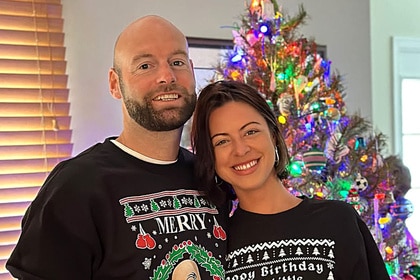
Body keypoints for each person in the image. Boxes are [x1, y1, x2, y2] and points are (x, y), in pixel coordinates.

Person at [6, 15, 227, 280]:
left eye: (177, 62)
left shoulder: (213, 177)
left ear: (191, 72)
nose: (166, 76)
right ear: (115, 84)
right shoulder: (75, 187)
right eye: (145, 65)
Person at [190, 80, 390, 279]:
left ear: (274, 136)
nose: (240, 150)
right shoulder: (215, 244)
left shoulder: (338, 220)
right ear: (210, 155)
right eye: (222, 141)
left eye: (250, 132)